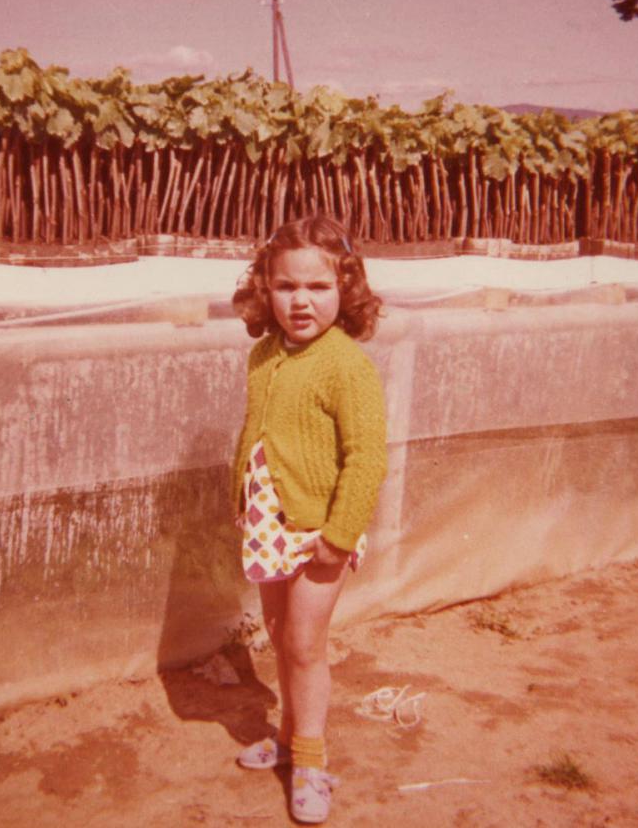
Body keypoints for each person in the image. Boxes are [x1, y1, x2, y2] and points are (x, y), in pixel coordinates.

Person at [230, 214, 388, 824]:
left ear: (345, 290)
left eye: (318, 288)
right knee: (279, 634)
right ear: (265, 288)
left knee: (305, 644)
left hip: (321, 526)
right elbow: (257, 433)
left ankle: (312, 762)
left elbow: (366, 456)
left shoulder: (346, 366)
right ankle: (290, 739)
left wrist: (339, 535)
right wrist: (243, 500)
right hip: (270, 519)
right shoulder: (265, 355)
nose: (301, 301)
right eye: (286, 286)